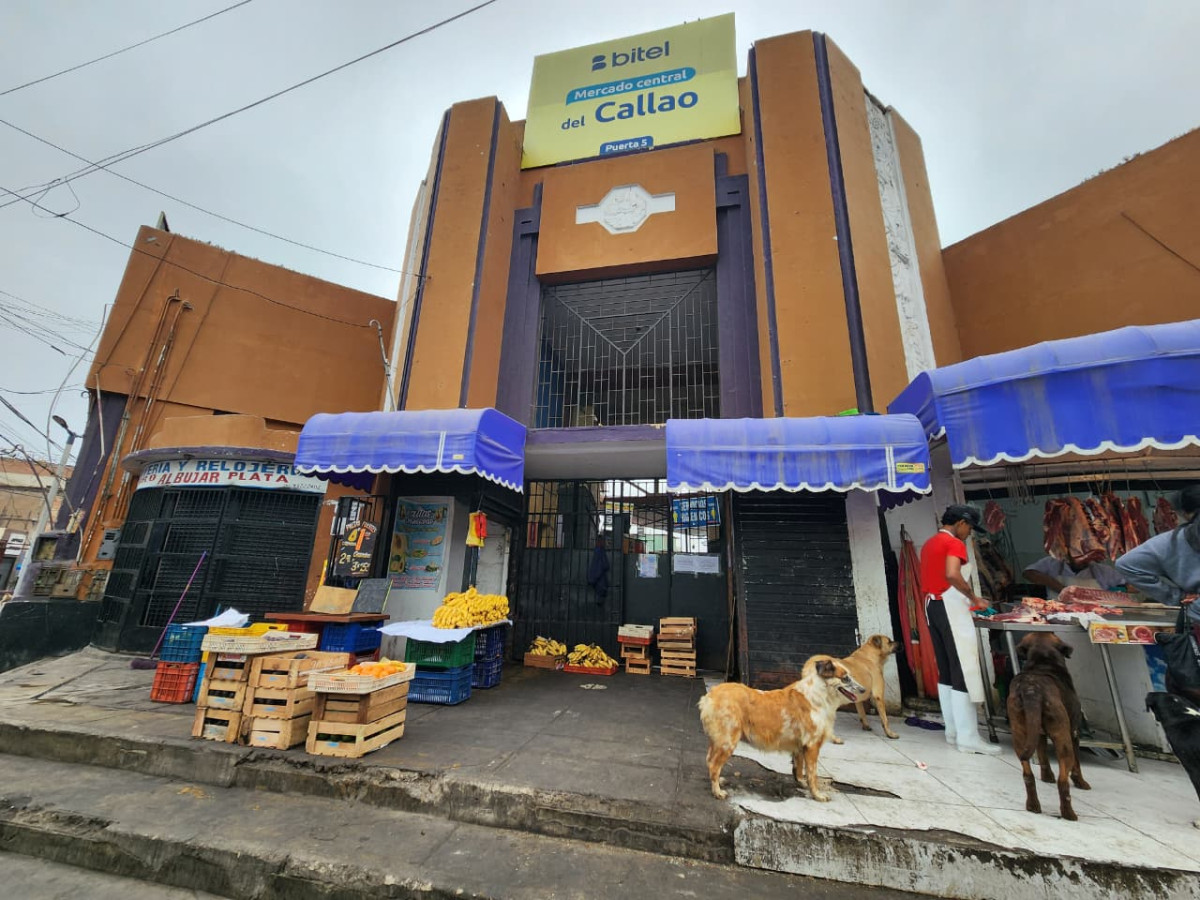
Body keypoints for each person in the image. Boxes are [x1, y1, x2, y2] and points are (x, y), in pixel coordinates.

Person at [919, 505, 1001, 755]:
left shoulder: (930, 543)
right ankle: (968, 738)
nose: (969, 534)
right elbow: (953, 575)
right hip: (950, 607)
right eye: (969, 529)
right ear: (961, 523)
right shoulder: (954, 544)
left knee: (946, 669)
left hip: (931, 606)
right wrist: (975, 598)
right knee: (963, 668)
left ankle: (953, 731)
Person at [1116, 486, 1200, 610]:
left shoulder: (1171, 541)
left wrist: (1178, 597)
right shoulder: (1172, 541)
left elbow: (1126, 565)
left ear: (1185, 513)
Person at [1022, 556, 1125, 599]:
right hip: (1058, 617)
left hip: (1094, 618)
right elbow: (1028, 573)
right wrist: (1062, 589)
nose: (1082, 560)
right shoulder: (1053, 562)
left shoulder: (1102, 570)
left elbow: (1130, 586)